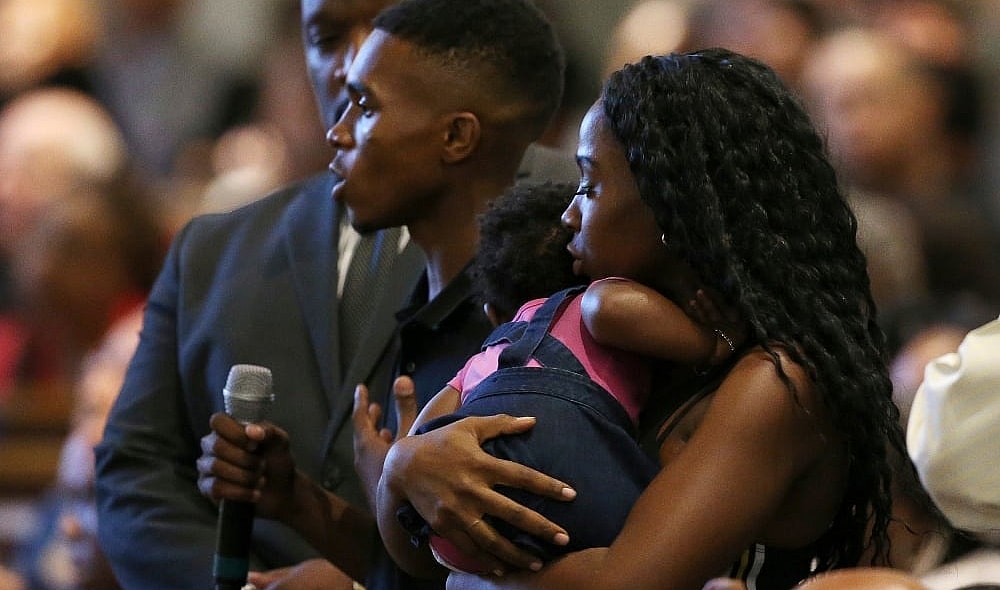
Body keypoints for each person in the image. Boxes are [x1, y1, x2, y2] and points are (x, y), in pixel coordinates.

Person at [376, 48, 904, 590]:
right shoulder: (611, 337)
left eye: (589, 184)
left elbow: (624, 583)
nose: (568, 213)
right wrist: (406, 469)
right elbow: (417, 558)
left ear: (671, 204)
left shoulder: (776, 383)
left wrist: (472, 576)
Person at [97, 0, 573, 589]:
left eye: (385, 28)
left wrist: (355, 582)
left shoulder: (568, 224)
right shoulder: (212, 249)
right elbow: (135, 473)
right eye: (326, 38)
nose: (352, 62)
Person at [393, 178, 742, 576]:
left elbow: (416, 446)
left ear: (493, 315)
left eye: (590, 186)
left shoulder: (481, 360)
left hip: (455, 530)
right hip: (573, 497)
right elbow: (611, 308)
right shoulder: (593, 301)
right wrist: (713, 344)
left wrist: (398, 463)